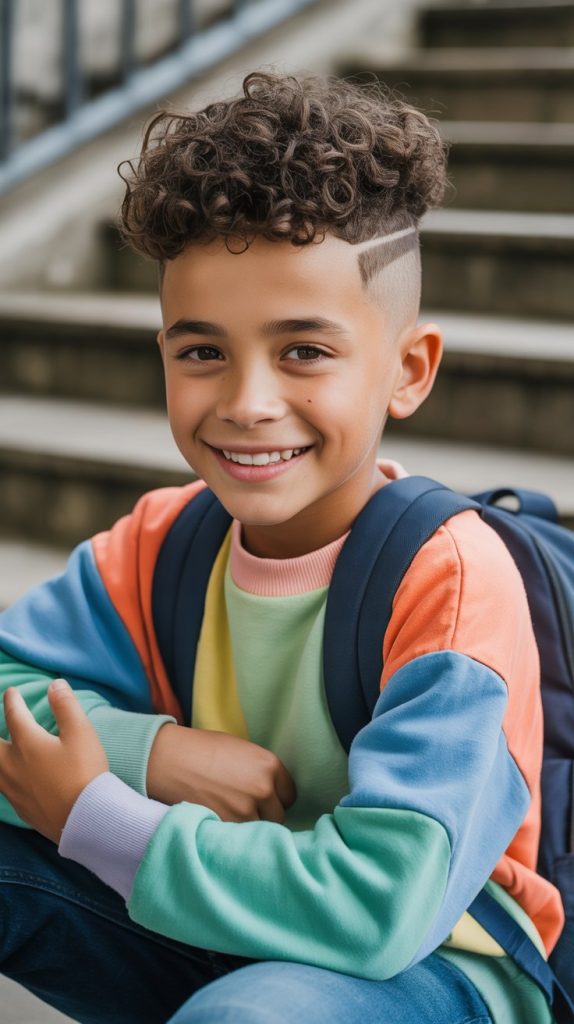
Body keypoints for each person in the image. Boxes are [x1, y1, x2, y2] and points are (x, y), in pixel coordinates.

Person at [0, 71, 564, 1024]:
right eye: (202, 350)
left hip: (434, 962)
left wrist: (95, 816)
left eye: (304, 350)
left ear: (408, 371)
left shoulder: (452, 585)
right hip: (218, 917)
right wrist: (151, 758)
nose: (247, 400)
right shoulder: (163, 542)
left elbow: (379, 909)